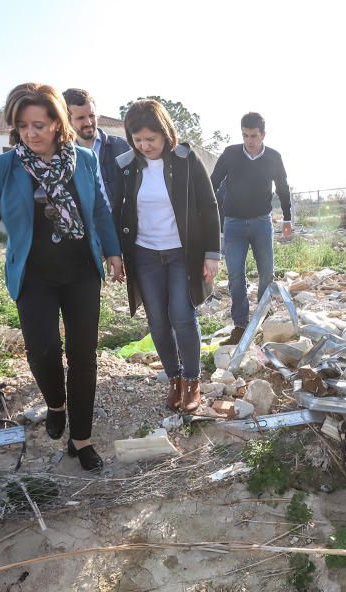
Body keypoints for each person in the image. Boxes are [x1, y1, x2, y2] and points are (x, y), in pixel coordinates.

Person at [0, 83, 123, 472]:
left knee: (83, 357)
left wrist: (113, 250)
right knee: (42, 350)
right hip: (34, 277)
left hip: (81, 271)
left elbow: (98, 210)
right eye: (22, 126)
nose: (30, 134)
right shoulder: (4, 168)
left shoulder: (84, 161)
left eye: (39, 125)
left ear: (56, 124)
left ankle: (81, 440)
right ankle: (56, 403)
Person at [116, 99, 221, 413]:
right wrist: (116, 255)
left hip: (180, 253)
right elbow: (118, 210)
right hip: (145, 255)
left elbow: (209, 206)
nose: (145, 146)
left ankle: (192, 381)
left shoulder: (186, 161)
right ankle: (174, 379)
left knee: (182, 315)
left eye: (152, 139)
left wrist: (212, 253)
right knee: (158, 322)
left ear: (166, 134)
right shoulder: (127, 166)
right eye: (138, 140)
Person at [210, 112, 292, 345]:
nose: (249, 141)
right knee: (236, 276)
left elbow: (283, 188)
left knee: (267, 272)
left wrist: (287, 218)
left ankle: (263, 319)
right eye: (245, 135)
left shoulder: (273, 157)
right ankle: (240, 326)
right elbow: (212, 182)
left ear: (263, 135)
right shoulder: (231, 154)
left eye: (254, 136)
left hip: (261, 222)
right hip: (233, 224)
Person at [63, 88, 131, 224]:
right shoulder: (63, 156)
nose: (88, 122)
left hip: (122, 230)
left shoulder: (122, 147)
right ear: (67, 120)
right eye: (81, 118)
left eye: (92, 116)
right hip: (87, 234)